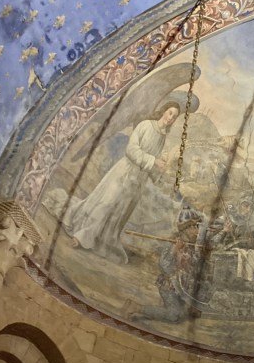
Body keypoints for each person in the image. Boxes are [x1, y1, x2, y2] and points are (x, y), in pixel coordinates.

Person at [64, 101, 181, 261]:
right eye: (170, 113)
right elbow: (131, 150)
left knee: (118, 214)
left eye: (174, 116)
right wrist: (154, 161)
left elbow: (151, 166)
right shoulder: (145, 125)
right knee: (106, 203)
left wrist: (161, 175)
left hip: (137, 182)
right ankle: (82, 236)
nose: (171, 118)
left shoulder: (162, 137)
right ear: (164, 111)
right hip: (124, 172)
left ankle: (99, 239)